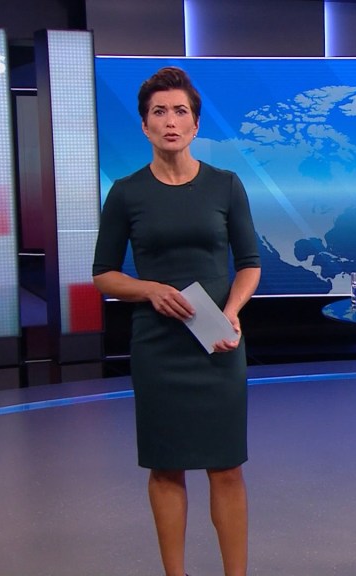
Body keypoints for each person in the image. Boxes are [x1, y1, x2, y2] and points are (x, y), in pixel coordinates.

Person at [92, 66, 261, 576]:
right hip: (158, 346)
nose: (170, 121)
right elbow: (103, 274)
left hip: (217, 345)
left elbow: (249, 264)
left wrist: (230, 313)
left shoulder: (225, 186)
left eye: (180, 111)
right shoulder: (126, 193)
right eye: (159, 112)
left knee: (226, 467)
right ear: (144, 125)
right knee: (166, 468)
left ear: (195, 124)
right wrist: (149, 289)